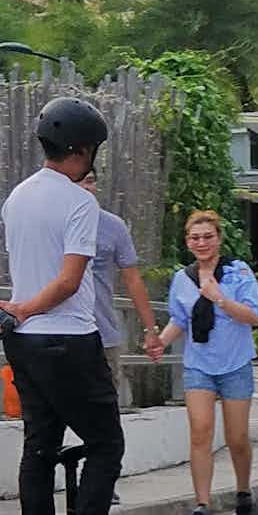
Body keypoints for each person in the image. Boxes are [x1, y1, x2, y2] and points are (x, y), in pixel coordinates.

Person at [0, 96, 123, 515]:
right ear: (83, 150)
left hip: (23, 341)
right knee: (106, 442)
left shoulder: (17, 197)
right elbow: (67, 281)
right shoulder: (79, 201)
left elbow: (29, 270)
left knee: (39, 446)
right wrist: (26, 306)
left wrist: (20, 311)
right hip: (68, 339)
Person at [155, 210, 258, 515]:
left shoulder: (237, 272)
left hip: (235, 363)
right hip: (199, 365)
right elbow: (180, 319)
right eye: (195, 237)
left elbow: (254, 316)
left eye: (207, 236)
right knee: (200, 432)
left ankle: (243, 491)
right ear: (188, 242)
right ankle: (202, 502)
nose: (202, 243)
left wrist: (220, 299)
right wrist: (160, 342)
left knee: (237, 436)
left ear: (218, 239)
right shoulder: (182, 279)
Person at [76, 167, 164, 410]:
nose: (86, 187)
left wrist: (151, 329)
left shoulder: (113, 226)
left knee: (104, 413)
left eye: (90, 181)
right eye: (78, 182)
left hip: (102, 334)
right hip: (61, 333)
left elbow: (133, 280)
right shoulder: (52, 223)